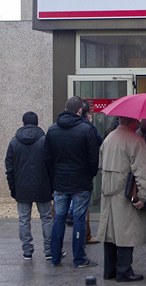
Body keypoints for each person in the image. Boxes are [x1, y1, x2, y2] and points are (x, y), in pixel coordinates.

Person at [44, 96, 99, 268]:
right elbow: (93, 158)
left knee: (59, 218)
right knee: (79, 218)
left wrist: (54, 177)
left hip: (60, 182)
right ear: (80, 111)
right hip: (81, 181)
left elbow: (47, 158)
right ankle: (79, 258)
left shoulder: (52, 130)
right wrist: (90, 175)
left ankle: (55, 257)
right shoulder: (86, 129)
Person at [97, 116, 146, 282]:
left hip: (108, 191)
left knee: (110, 234)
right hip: (126, 193)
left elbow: (100, 165)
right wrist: (141, 197)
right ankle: (124, 271)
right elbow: (142, 172)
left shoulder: (108, 138)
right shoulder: (136, 141)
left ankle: (109, 271)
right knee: (126, 234)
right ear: (133, 122)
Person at [5, 111, 53, 260]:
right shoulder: (45, 141)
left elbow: (10, 168)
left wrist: (13, 189)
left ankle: (27, 251)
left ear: (23, 122)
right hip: (43, 186)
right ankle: (49, 250)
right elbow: (51, 166)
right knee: (46, 218)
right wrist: (52, 187)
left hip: (22, 187)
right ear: (37, 123)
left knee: (24, 219)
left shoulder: (14, 142)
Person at [81, 100, 102, 245]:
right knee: (82, 207)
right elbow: (98, 141)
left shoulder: (56, 128)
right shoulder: (87, 127)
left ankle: (56, 246)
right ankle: (85, 235)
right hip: (83, 174)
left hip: (62, 177)